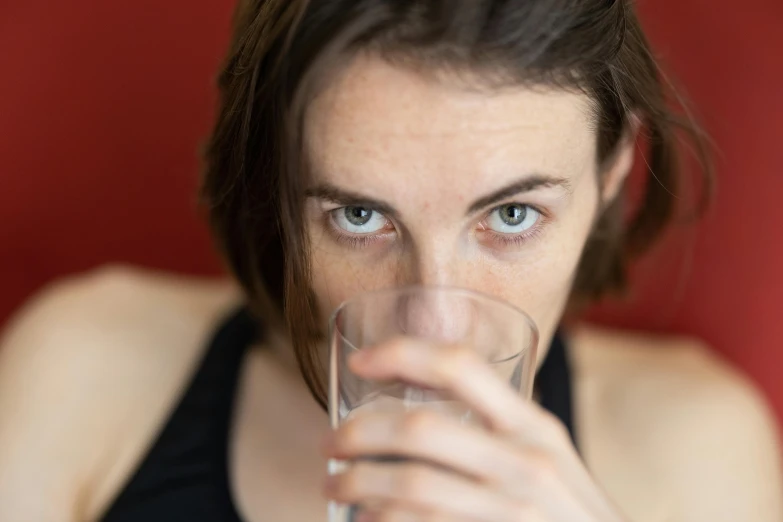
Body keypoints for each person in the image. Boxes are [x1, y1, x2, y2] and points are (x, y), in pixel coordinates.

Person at [1, 0, 781, 520]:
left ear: (610, 177)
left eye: (511, 216)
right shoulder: (89, 369)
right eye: (359, 215)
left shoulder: (691, 455)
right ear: (276, 192)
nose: (432, 321)